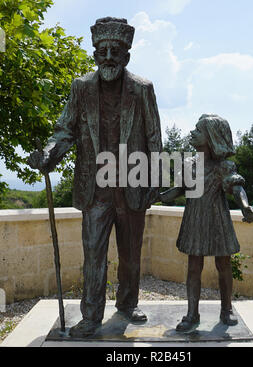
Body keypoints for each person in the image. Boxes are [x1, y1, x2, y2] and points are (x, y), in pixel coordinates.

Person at [28, 17, 162, 337]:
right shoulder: (81, 87)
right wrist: (49, 154)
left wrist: (153, 183)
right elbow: (64, 130)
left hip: (133, 184)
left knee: (130, 254)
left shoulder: (142, 89)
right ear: (94, 55)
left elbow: (154, 139)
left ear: (126, 56)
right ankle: (91, 315)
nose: (109, 57)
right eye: (102, 51)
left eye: (116, 51)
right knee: (94, 255)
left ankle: (128, 303)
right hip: (96, 188)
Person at [160, 114, 253, 333]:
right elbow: (180, 190)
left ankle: (227, 310)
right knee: (194, 267)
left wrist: (245, 207)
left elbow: (236, 188)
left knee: (223, 265)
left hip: (217, 219)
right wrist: (158, 197)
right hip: (195, 219)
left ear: (210, 137)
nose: (192, 132)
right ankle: (192, 313)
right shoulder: (188, 164)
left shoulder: (224, 166)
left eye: (198, 130)